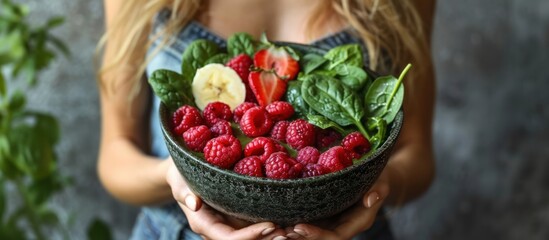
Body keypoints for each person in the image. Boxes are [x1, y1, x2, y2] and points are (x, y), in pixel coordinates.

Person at [96, 0, 436, 239]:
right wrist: (176, 177)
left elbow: (418, 156)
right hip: (175, 231)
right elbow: (115, 156)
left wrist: (377, 182)